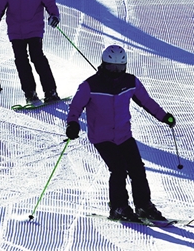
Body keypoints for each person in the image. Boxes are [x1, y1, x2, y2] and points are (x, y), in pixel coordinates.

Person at [66, 45, 176, 223]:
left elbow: (146, 101)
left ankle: (143, 206)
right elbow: (75, 107)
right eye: (112, 67)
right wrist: (72, 124)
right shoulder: (90, 85)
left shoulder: (130, 82)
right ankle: (118, 207)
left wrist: (164, 116)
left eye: (120, 67)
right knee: (118, 169)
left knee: (137, 168)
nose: (116, 71)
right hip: (102, 137)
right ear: (104, 64)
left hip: (124, 134)